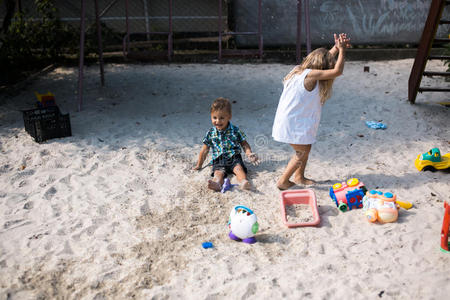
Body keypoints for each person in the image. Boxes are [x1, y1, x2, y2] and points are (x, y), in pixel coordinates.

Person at [272, 33, 351, 190]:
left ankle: (299, 176)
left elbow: (324, 59)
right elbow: (337, 71)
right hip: (293, 122)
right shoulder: (311, 75)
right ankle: (283, 181)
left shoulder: (298, 70)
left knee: (306, 145)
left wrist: (335, 47)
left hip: (296, 120)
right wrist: (342, 51)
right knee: (303, 151)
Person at [194, 97, 259, 191]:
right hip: (219, 159)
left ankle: (243, 181)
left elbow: (244, 144)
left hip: (234, 157)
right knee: (218, 173)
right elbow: (204, 150)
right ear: (211, 117)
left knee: (239, 169)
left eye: (222, 118)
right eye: (214, 118)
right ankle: (217, 183)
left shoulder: (235, 131)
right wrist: (199, 165)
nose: (218, 121)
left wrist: (249, 153)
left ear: (229, 117)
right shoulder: (210, 133)